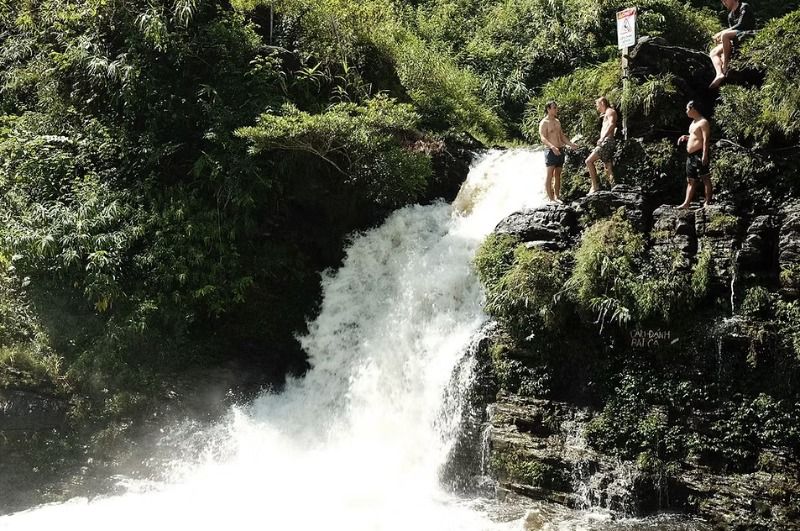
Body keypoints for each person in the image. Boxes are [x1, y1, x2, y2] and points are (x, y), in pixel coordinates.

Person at [709, 0, 755, 89]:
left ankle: (725, 65)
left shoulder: (744, 7)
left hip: (748, 34)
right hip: (736, 38)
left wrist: (722, 33)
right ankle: (719, 74)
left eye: (725, 0)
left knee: (725, 35)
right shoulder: (730, 15)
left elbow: (741, 25)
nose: (724, 2)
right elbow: (731, 33)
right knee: (713, 52)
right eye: (722, 1)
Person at [539, 101, 578, 203]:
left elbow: (562, 136)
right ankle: (551, 199)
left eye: (556, 107)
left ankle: (557, 197)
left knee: (558, 175)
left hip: (560, 150)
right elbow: (543, 138)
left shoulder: (557, 121)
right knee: (549, 175)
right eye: (554, 108)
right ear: (548, 109)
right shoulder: (544, 122)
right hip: (550, 151)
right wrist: (552, 147)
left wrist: (571, 144)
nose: (556, 109)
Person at [677, 101, 712, 208]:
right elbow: (695, 136)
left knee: (705, 178)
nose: (686, 111)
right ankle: (686, 203)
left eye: (687, 109)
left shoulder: (703, 122)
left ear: (693, 109)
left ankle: (707, 201)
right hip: (690, 155)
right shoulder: (693, 122)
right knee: (690, 179)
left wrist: (704, 155)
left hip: (699, 153)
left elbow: (706, 140)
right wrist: (685, 137)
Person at [585, 97, 617, 194]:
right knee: (607, 165)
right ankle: (614, 186)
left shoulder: (610, 111)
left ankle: (595, 186)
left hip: (607, 141)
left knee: (588, 161)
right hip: (607, 141)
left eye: (597, 105)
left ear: (602, 103)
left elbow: (612, 125)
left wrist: (602, 138)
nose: (597, 107)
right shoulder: (607, 113)